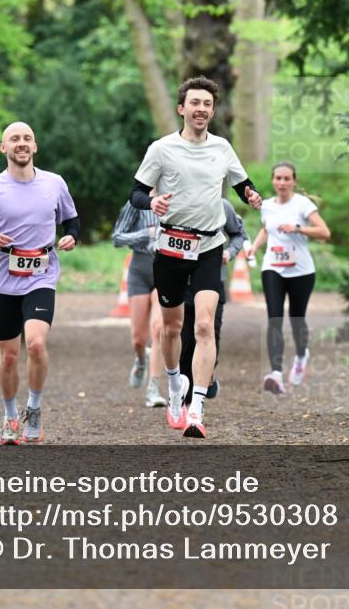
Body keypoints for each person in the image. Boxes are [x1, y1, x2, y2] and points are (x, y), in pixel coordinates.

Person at [129, 76, 262, 438]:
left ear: (212, 110)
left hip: (208, 246)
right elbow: (137, 193)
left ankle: (196, 409)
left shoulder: (222, 147)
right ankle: (174, 386)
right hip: (171, 246)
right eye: (195, 103)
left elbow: (241, 182)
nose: (201, 109)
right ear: (181, 108)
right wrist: (152, 202)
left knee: (204, 325)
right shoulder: (162, 149)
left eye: (207, 104)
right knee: (170, 328)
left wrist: (250, 194)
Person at [0, 121, 79, 444]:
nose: (22, 143)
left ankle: (34, 409)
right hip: (3, 280)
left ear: (35, 146)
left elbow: (71, 219)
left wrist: (71, 236)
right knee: (9, 356)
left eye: (27, 138)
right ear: (4, 148)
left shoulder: (54, 183)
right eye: (15, 139)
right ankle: (10, 415)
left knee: (37, 344)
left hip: (42, 274)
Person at [243, 161, 330, 394]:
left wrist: (298, 228)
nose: (281, 182)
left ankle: (302, 356)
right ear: (273, 181)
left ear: (294, 181)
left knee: (297, 319)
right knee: (274, 318)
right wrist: (254, 247)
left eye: (286, 178)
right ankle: (276, 374)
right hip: (273, 267)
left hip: (301, 270)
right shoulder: (267, 206)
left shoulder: (303, 204)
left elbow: (324, 232)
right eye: (278, 178)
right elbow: (266, 228)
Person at [179, 199, 249, 402]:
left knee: (210, 334)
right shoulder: (180, 204)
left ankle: (207, 376)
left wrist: (229, 252)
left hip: (212, 282)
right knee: (185, 340)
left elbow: (239, 234)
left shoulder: (222, 206)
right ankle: (186, 394)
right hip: (183, 281)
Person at [112, 201, 167, 407]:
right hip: (140, 269)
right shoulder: (136, 203)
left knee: (159, 328)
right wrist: (147, 233)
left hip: (165, 269)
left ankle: (153, 388)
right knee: (138, 339)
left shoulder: (179, 199)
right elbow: (117, 238)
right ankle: (141, 359)